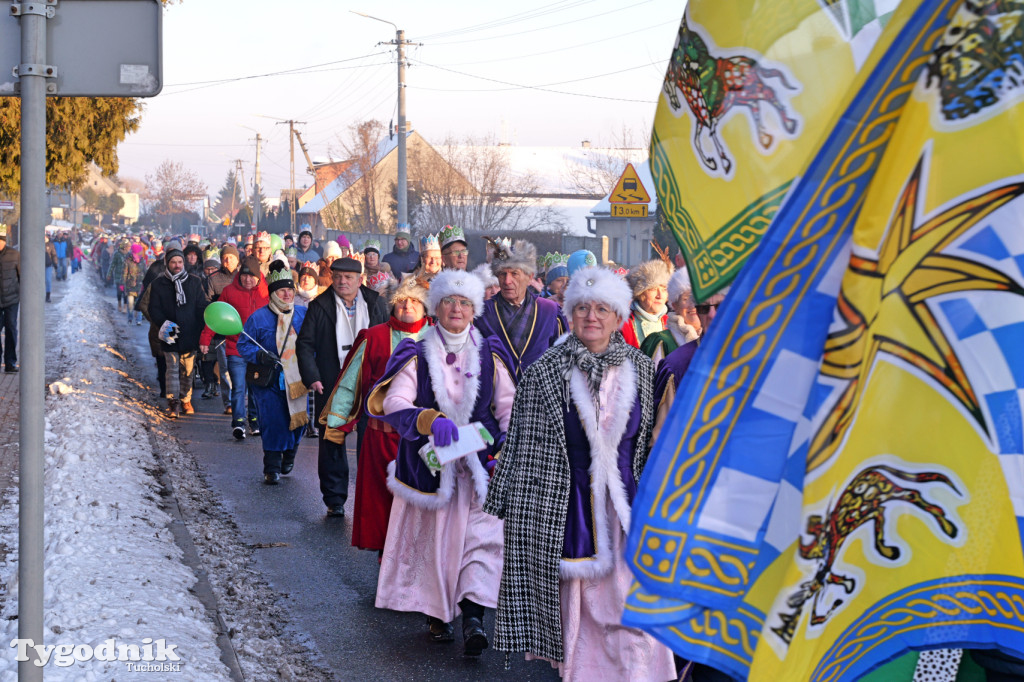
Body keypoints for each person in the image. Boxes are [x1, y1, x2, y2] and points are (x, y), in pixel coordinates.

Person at [484, 266, 676, 681]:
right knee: (584, 610)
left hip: (627, 509)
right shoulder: (543, 373)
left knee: (632, 605)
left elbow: (646, 444)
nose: (592, 316)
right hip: (568, 508)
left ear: (619, 317)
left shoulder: (641, 369)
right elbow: (522, 446)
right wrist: (508, 505)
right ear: (570, 315)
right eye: (583, 308)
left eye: (602, 309)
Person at [368, 269, 515, 656]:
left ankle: (473, 619)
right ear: (436, 308)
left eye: (464, 302)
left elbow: (509, 408)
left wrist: (504, 449)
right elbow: (393, 402)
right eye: (449, 301)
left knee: (481, 546)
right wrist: (429, 420)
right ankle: (437, 613)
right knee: (435, 547)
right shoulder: (416, 352)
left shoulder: (491, 352)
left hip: (481, 469)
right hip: (430, 469)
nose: (456, 308)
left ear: (474, 310)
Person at [321, 275, 431, 553]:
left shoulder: (438, 337)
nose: (407, 306)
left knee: (422, 502)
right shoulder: (374, 337)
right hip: (381, 437)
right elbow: (350, 382)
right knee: (382, 503)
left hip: (424, 439)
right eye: (401, 301)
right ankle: (387, 557)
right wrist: (337, 424)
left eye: (415, 301)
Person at [296, 256, 388, 517]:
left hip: (371, 382)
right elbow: (305, 345)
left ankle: (370, 495)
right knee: (333, 439)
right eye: (337, 277)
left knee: (370, 439)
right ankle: (335, 497)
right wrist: (312, 376)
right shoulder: (320, 305)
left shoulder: (375, 302)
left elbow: (388, 336)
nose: (342, 282)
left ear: (360, 280)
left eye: (348, 277)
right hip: (333, 382)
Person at [237, 261, 308, 484]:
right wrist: (259, 356)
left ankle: (290, 452)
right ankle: (272, 467)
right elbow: (243, 344)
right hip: (269, 381)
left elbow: (315, 342)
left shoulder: (304, 314)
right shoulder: (258, 318)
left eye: (290, 290)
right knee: (273, 422)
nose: (287, 294)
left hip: (298, 379)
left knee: (298, 420)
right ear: (273, 293)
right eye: (282, 290)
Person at [476, 239, 566, 378]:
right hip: (497, 396)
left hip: (539, 396)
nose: (507, 281)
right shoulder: (482, 313)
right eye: (502, 274)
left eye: (514, 274)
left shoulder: (549, 311)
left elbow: (563, 360)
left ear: (529, 277)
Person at [200, 256, 269, 439]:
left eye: (251, 276)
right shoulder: (229, 291)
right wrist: (205, 339)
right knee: (238, 387)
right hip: (235, 348)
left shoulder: (266, 292)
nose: (247, 279)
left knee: (255, 387)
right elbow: (218, 315)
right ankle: (238, 422)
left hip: (258, 350)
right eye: (244, 275)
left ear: (258, 277)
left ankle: (254, 421)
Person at [651, 286, 729, 444]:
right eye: (704, 308)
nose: (712, 315)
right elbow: (661, 441)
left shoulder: (760, 358)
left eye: (721, 306)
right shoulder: (677, 365)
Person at [147, 247, 211, 418]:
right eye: (173, 262)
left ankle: (186, 399)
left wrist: (202, 325)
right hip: (169, 331)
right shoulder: (159, 284)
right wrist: (165, 325)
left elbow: (201, 306)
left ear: (183, 263)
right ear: (168, 263)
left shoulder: (194, 282)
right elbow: (154, 308)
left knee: (188, 369)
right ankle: (173, 402)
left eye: (180, 262)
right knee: (172, 369)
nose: (177, 265)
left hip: (190, 332)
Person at [640, 267, 701, 367]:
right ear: (674, 305)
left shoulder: (717, 339)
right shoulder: (661, 342)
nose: (692, 305)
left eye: (696, 298)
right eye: (686, 299)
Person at [621, 259, 672, 348]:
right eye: (653, 289)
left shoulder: (672, 323)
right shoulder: (623, 325)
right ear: (640, 293)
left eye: (664, 289)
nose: (659, 295)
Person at [0, 226, 20, 373]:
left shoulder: (14, 254)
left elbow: (21, 276)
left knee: (11, 329)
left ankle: (10, 362)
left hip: (11, 299)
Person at [123, 244, 147, 326]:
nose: (141, 252)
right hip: (130, 285)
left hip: (140, 285)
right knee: (130, 303)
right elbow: (125, 273)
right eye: (139, 251)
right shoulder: (128, 260)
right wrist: (123, 284)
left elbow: (145, 272)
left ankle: (138, 320)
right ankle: (130, 318)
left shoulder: (142, 260)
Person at [109, 239, 131, 312]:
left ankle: (125, 306)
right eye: (128, 246)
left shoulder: (129, 254)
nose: (129, 248)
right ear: (124, 247)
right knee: (119, 292)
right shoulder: (117, 254)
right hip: (118, 276)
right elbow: (113, 264)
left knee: (125, 292)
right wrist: (109, 273)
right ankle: (119, 304)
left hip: (127, 277)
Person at [45, 235, 57, 303]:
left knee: (48, 280)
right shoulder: (37, 244)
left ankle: (48, 295)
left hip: (48, 265)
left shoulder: (51, 245)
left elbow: (54, 254)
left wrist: (55, 263)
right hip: (39, 265)